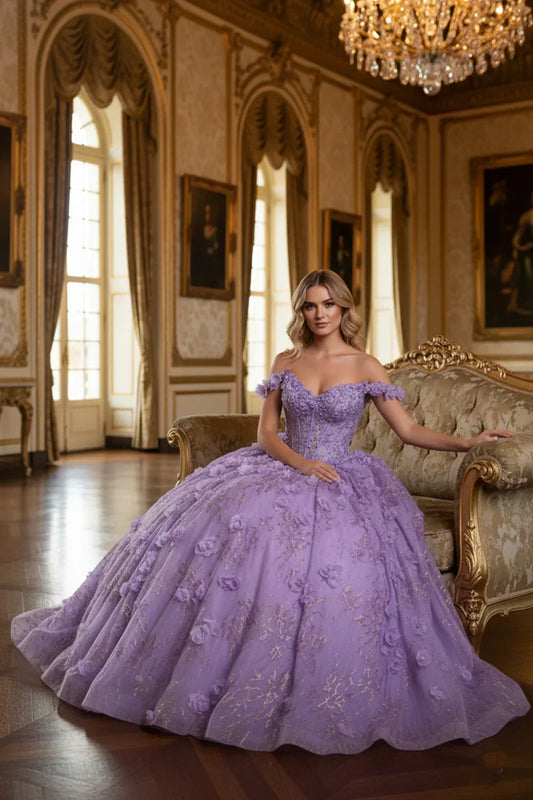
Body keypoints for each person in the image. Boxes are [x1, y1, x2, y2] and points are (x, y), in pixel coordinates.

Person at [11, 270, 529, 755]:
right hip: (284, 462)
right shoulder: (286, 361)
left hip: (343, 476)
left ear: (344, 308)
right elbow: (265, 434)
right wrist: (301, 463)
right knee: (221, 519)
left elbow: (410, 432)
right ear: (301, 312)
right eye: (310, 306)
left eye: (328, 304)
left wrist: (470, 442)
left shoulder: (366, 366)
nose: (320, 314)